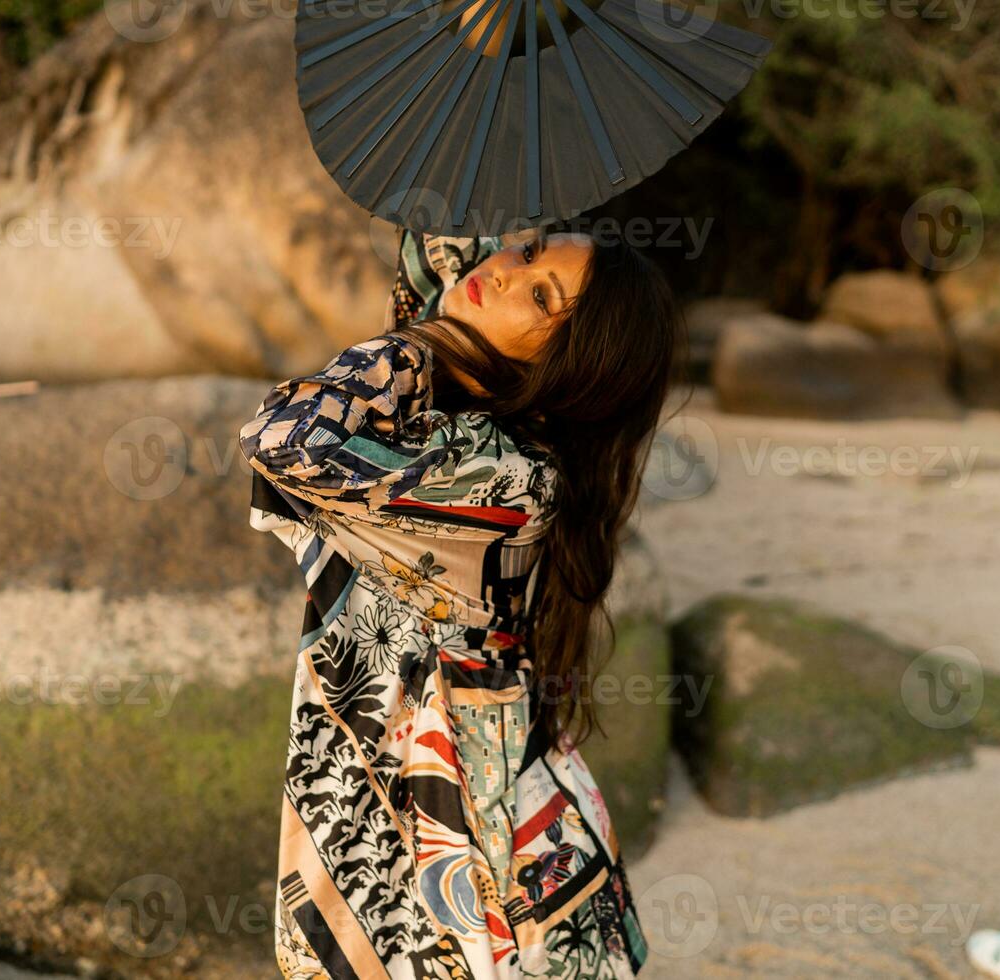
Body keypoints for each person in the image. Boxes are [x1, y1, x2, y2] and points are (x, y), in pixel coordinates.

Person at [238, 220, 685, 978]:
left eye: (542, 297)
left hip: (470, 836)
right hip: (406, 794)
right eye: (530, 252)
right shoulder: (451, 399)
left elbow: (283, 440)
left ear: (570, 366)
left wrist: (418, 342)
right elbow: (439, 241)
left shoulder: (508, 478)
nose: (506, 274)